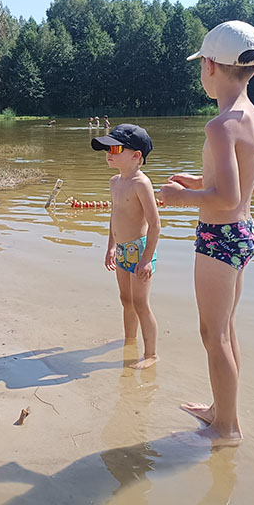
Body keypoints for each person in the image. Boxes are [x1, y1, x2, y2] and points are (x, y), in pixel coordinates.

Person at [159, 20, 254, 446]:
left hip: (219, 237)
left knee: (213, 334)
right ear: (253, 68)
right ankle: (221, 412)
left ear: (208, 65)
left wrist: (176, 196)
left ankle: (227, 429)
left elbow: (225, 197)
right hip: (244, 233)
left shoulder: (220, 125)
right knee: (227, 328)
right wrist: (198, 179)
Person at [92, 124, 160, 369]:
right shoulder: (115, 182)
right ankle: (130, 340)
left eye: (115, 148)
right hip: (121, 248)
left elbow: (155, 224)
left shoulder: (141, 184)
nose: (108, 152)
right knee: (125, 299)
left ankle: (151, 354)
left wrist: (147, 259)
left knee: (141, 303)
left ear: (136, 155)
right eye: (107, 148)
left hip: (140, 250)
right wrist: (110, 246)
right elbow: (115, 216)